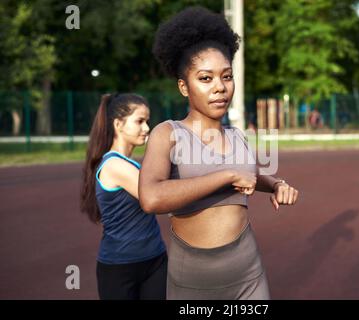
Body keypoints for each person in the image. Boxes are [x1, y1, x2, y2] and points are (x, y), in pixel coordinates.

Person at [139, 6, 299, 300]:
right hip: (192, 284)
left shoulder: (237, 136)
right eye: (205, 78)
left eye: (226, 76)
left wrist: (276, 184)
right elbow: (151, 198)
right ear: (184, 87)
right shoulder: (168, 134)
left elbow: (250, 173)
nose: (220, 88)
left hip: (248, 276)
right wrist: (225, 175)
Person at [80, 93, 167, 300]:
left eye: (147, 121)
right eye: (140, 121)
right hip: (120, 267)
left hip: (155, 259)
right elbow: (158, 197)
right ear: (119, 124)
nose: (147, 128)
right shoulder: (113, 165)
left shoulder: (132, 165)